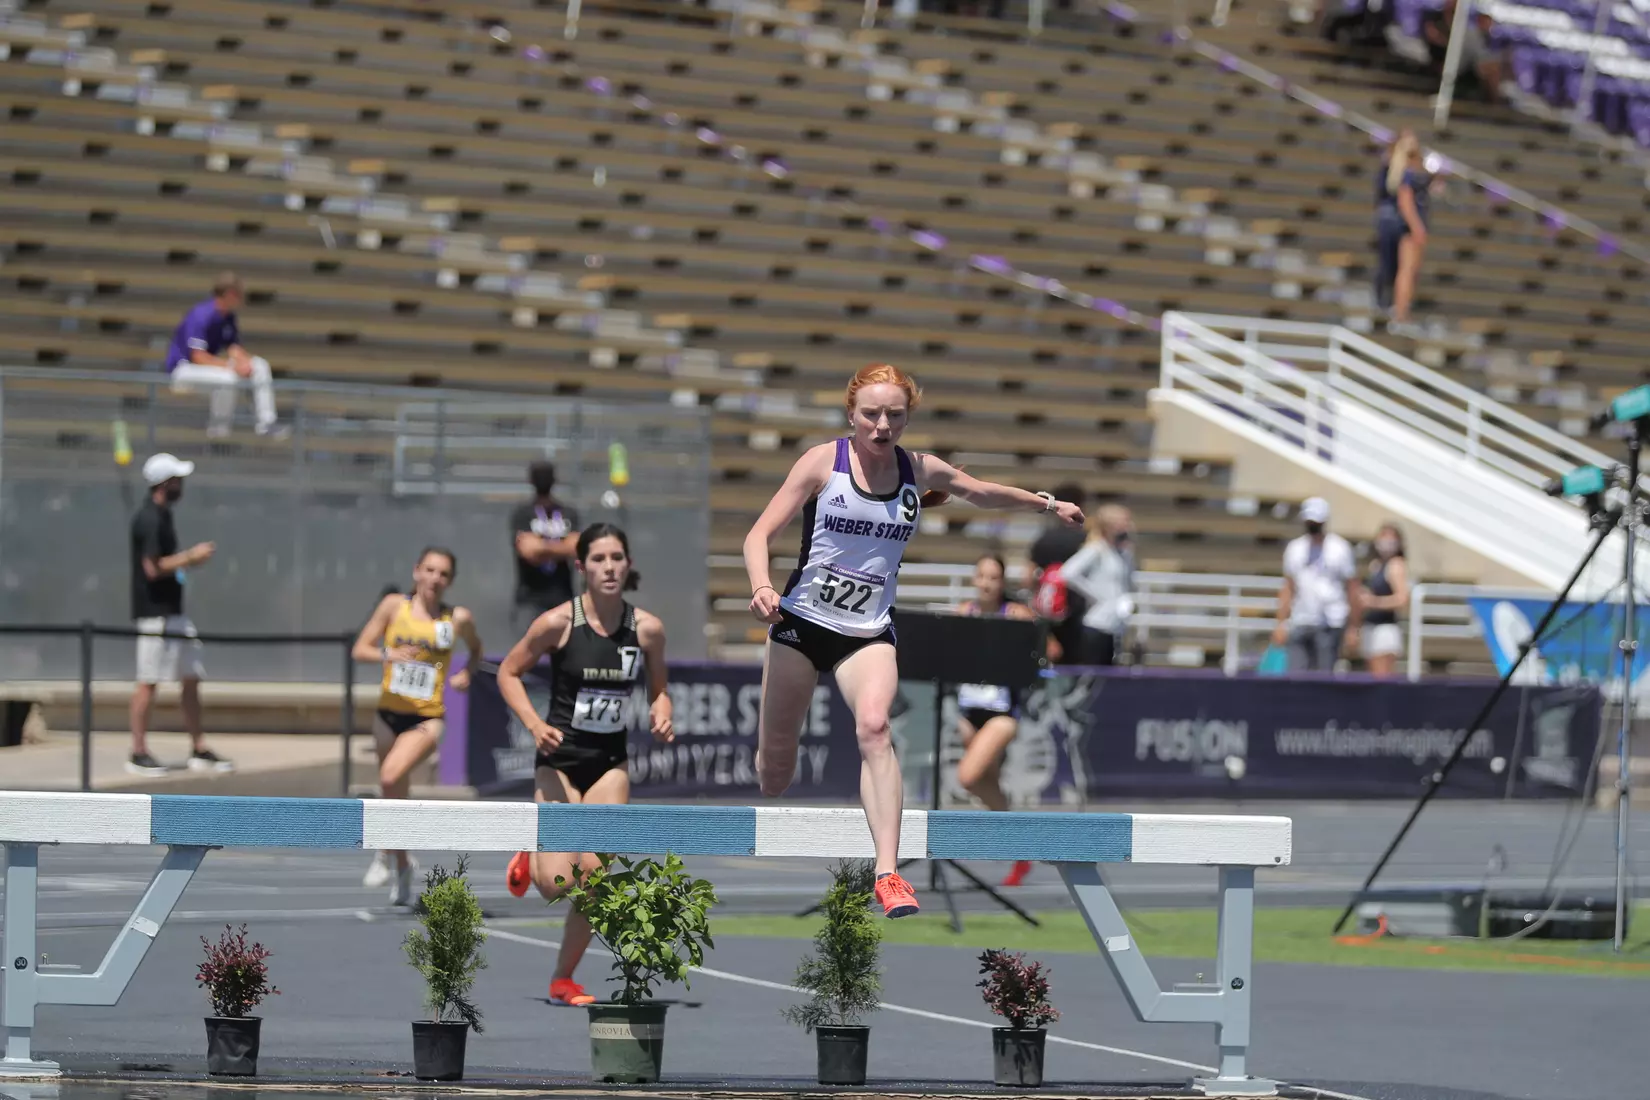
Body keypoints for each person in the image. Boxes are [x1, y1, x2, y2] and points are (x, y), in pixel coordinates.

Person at [742, 363, 1084, 919]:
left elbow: (981, 493)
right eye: (871, 414)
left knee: (876, 728)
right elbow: (759, 534)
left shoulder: (918, 470)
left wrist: (1046, 505)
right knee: (775, 773)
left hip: (869, 633)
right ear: (851, 414)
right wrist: (761, 586)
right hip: (801, 624)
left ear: (908, 417)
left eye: (895, 416)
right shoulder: (820, 463)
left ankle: (888, 872)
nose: (882, 425)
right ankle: (770, 757)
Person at [498, 523, 673, 1006]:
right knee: (557, 884)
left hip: (609, 763)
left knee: (596, 880)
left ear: (628, 563)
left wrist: (662, 710)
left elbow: (659, 688)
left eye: (617, 557)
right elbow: (509, 673)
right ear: (581, 568)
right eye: (598, 559)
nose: (609, 567)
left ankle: (563, 978)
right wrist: (534, 724)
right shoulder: (557, 623)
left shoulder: (648, 630)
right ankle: (530, 854)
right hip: (558, 761)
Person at [352, 548, 482, 904]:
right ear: (416, 572)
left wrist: (466, 673)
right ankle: (404, 863)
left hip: (427, 717)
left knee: (391, 777)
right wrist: (387, 654)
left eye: (443, 573)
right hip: (388, 713)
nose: (435, 578)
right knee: (396, 792)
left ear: (450, 581)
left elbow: (476, 650)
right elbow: (360, 648)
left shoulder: (457, 619)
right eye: (429, 570)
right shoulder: (395, 607)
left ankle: (383, 850)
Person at [127, 453, 233, 777]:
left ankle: (198, 747)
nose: (181, 485)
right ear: (164, 483)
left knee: (190, 677)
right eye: (176, 479)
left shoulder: (163, 515)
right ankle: (138, 751)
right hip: (155, 615)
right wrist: (191, 557)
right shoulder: (149, 518)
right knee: (149, 682)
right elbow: (152, 567)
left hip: (174, 613)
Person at [952, 553, 1039, 887]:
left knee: (969, 777)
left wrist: (1025, 630)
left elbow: (1049, 650)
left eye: (993, 577)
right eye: (981, 576)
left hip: (1002, 714)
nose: (986, 583)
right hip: (968, 710)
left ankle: (1021, 843)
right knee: (988, 783)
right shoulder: (963, 613)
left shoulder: (1015, 615)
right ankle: (1021, 850)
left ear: (1002, 583)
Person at [165, 272, 281, 438]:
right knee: (228, 379)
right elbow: (198, 357)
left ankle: (266, 423)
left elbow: (233, 347)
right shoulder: (202, 314)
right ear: (229, 294)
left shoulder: (228, 317)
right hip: (182, 371)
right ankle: (218, 435)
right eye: (238, 294)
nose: (241, 299)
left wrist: (244, 362)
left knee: (260, 365)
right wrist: (232, 366)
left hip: (206, 369)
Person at [1272, 497, 1362, 673]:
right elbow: (1288, 587)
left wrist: (1353, 626)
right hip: (1300, 619)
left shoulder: (1339, 548)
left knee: (1324, 675)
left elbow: (1352, 587)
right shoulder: (1295, 548)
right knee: (1296, 674)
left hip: (1330, 621)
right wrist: (1281, 623)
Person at [1058, 504, 1136, 667]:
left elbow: (1125, 585)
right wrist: (1097, 596)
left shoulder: (1122, 553)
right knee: (1094, 675)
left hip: (1116, 625)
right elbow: (1067, 573)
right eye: (1124, 522)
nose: (1128, 527)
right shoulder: (1096, 549)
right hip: (1098, 623)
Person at [510, 460, 581, 638]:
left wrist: (542, 547)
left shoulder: (568, 512)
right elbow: (528, 550)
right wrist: (561, 547)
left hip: (563, 597)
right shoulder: (523, 513)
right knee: (525, 654)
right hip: (529, 599)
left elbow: (576, 547)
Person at [1374, 131, 1434, 328]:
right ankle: (1400, 312)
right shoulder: (1406, 173)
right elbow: (1405, 200)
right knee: (1407, 270)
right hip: (1410, 227)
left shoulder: (1411, 170)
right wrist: (1417, 227)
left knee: (1410, 270)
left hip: (1413, 224)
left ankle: (1402, 310)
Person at [1025, 482, 1088, 664]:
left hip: (1047, 612)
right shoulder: (1085, 540)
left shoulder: (1044, 538)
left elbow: (1028, 576)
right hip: (1077, 613)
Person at [1360, 522, 1411, 677]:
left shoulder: (1396, 565)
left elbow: (1402, 599)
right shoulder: (1375, 565)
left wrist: (1374, 602)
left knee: (1382, 677)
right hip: (1370, 626)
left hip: (1385, 628)